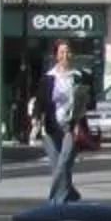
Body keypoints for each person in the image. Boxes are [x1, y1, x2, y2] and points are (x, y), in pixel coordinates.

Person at [38, 41, 86, 202]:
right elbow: (40, 102)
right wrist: (36, 123)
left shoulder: (78, 77)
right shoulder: (48, 78)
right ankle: (70, 196)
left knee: (64, 163)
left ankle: (54, 201)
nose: (65, 56)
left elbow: (86, 102)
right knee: (57, 166)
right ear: (56, 56)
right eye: (61, 52)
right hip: (50, 126)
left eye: (67, 52)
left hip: (70, 126)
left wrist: (79, 122)